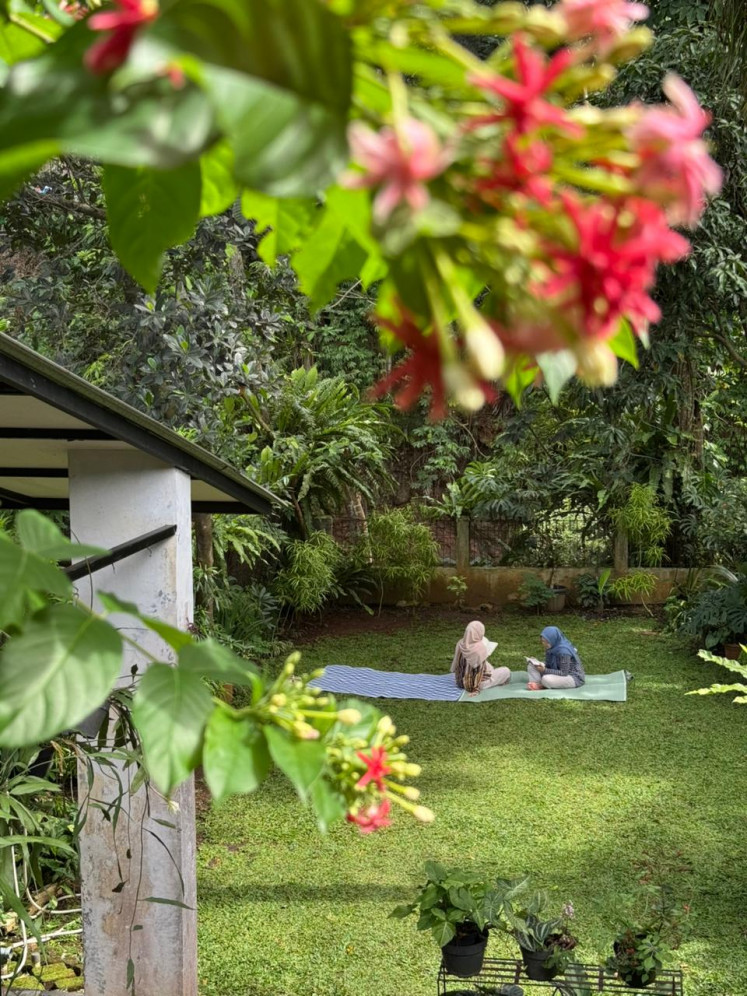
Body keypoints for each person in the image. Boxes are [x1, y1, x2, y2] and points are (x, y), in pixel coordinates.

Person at [451, 620, 511, 696]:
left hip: (459, 681)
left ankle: (490, 674)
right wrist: (474, 689)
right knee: (506, 671)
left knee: (487, 665)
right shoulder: (479, 648)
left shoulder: (460, 643)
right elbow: (478, 672)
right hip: (474, 684)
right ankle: (498, 679)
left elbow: (456, 662)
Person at [526, 626, 586, 690]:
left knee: (546, 679)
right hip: (558, 672)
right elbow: (550, 664)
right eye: (543, 641)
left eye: (547, 641)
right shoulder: (551, 647)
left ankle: (542, 685)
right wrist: (536, 662)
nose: (544, 644)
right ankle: (536, 683)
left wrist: (544, 670)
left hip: (572, 677)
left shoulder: (564, 651)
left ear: (553, 639)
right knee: (531, 665)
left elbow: (564, 672)